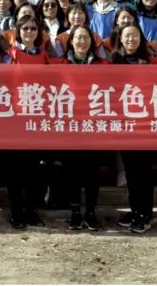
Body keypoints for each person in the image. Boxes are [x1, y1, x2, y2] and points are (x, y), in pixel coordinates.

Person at [2, 16, 51, 229]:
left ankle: (31, 210)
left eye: (33, 28)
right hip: (14, 117)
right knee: (15, 168)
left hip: (37, 116)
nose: (29, 32)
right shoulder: (9, 54)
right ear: (18, 31)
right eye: (25, 28)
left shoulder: (44, 55)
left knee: (34, 168)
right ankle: (16, 211)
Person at [110, 24, 156, 234]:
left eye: (135, 35)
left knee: (144, 171)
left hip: (145, 124)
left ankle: (145, 213)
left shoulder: (150, 61)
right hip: (124, 125)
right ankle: (135, 209)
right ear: (120, 38)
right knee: (131, 171)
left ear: (141, 38)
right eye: (127, 36)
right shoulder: (113, 60)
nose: (131, 39)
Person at [63, 25, 104, 231]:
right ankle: (75, 213)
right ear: (71, 41)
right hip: (69, 126)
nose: (82, 42)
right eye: (78, 38)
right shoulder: (60, 64)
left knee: (92, 172)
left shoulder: (101, 64)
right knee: (72, 172)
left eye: (86, 37)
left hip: (93, 125)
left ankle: (90, 212)